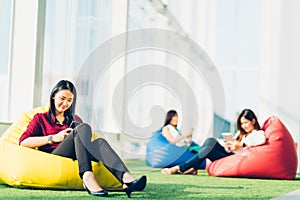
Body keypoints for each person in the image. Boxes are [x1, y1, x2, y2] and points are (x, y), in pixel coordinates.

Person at [19, 80, 146, 197]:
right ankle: (87, 176)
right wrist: (53, 138)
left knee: (99, 142)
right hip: (54, 154)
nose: (65, 103)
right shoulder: (40, 118)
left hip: (76, 154)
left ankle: (125, 178)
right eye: (62, 98)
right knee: (83, 128)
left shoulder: (72, 120)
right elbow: (23, 142)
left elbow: (83, 143)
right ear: (53, 96)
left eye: (69, 100)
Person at [162, 108, 266, 175]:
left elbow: (262, 139)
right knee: (210, 140)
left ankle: (180, 168)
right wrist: (229, 146)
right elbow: (232, 147)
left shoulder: (258, 133)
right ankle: (193, 167)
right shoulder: (240, 133)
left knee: (208, 149)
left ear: (253, 121)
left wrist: (241, 144)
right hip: (230, 154)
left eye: (246, 123)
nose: (244, 126)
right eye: (242, 123)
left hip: (235, 160)